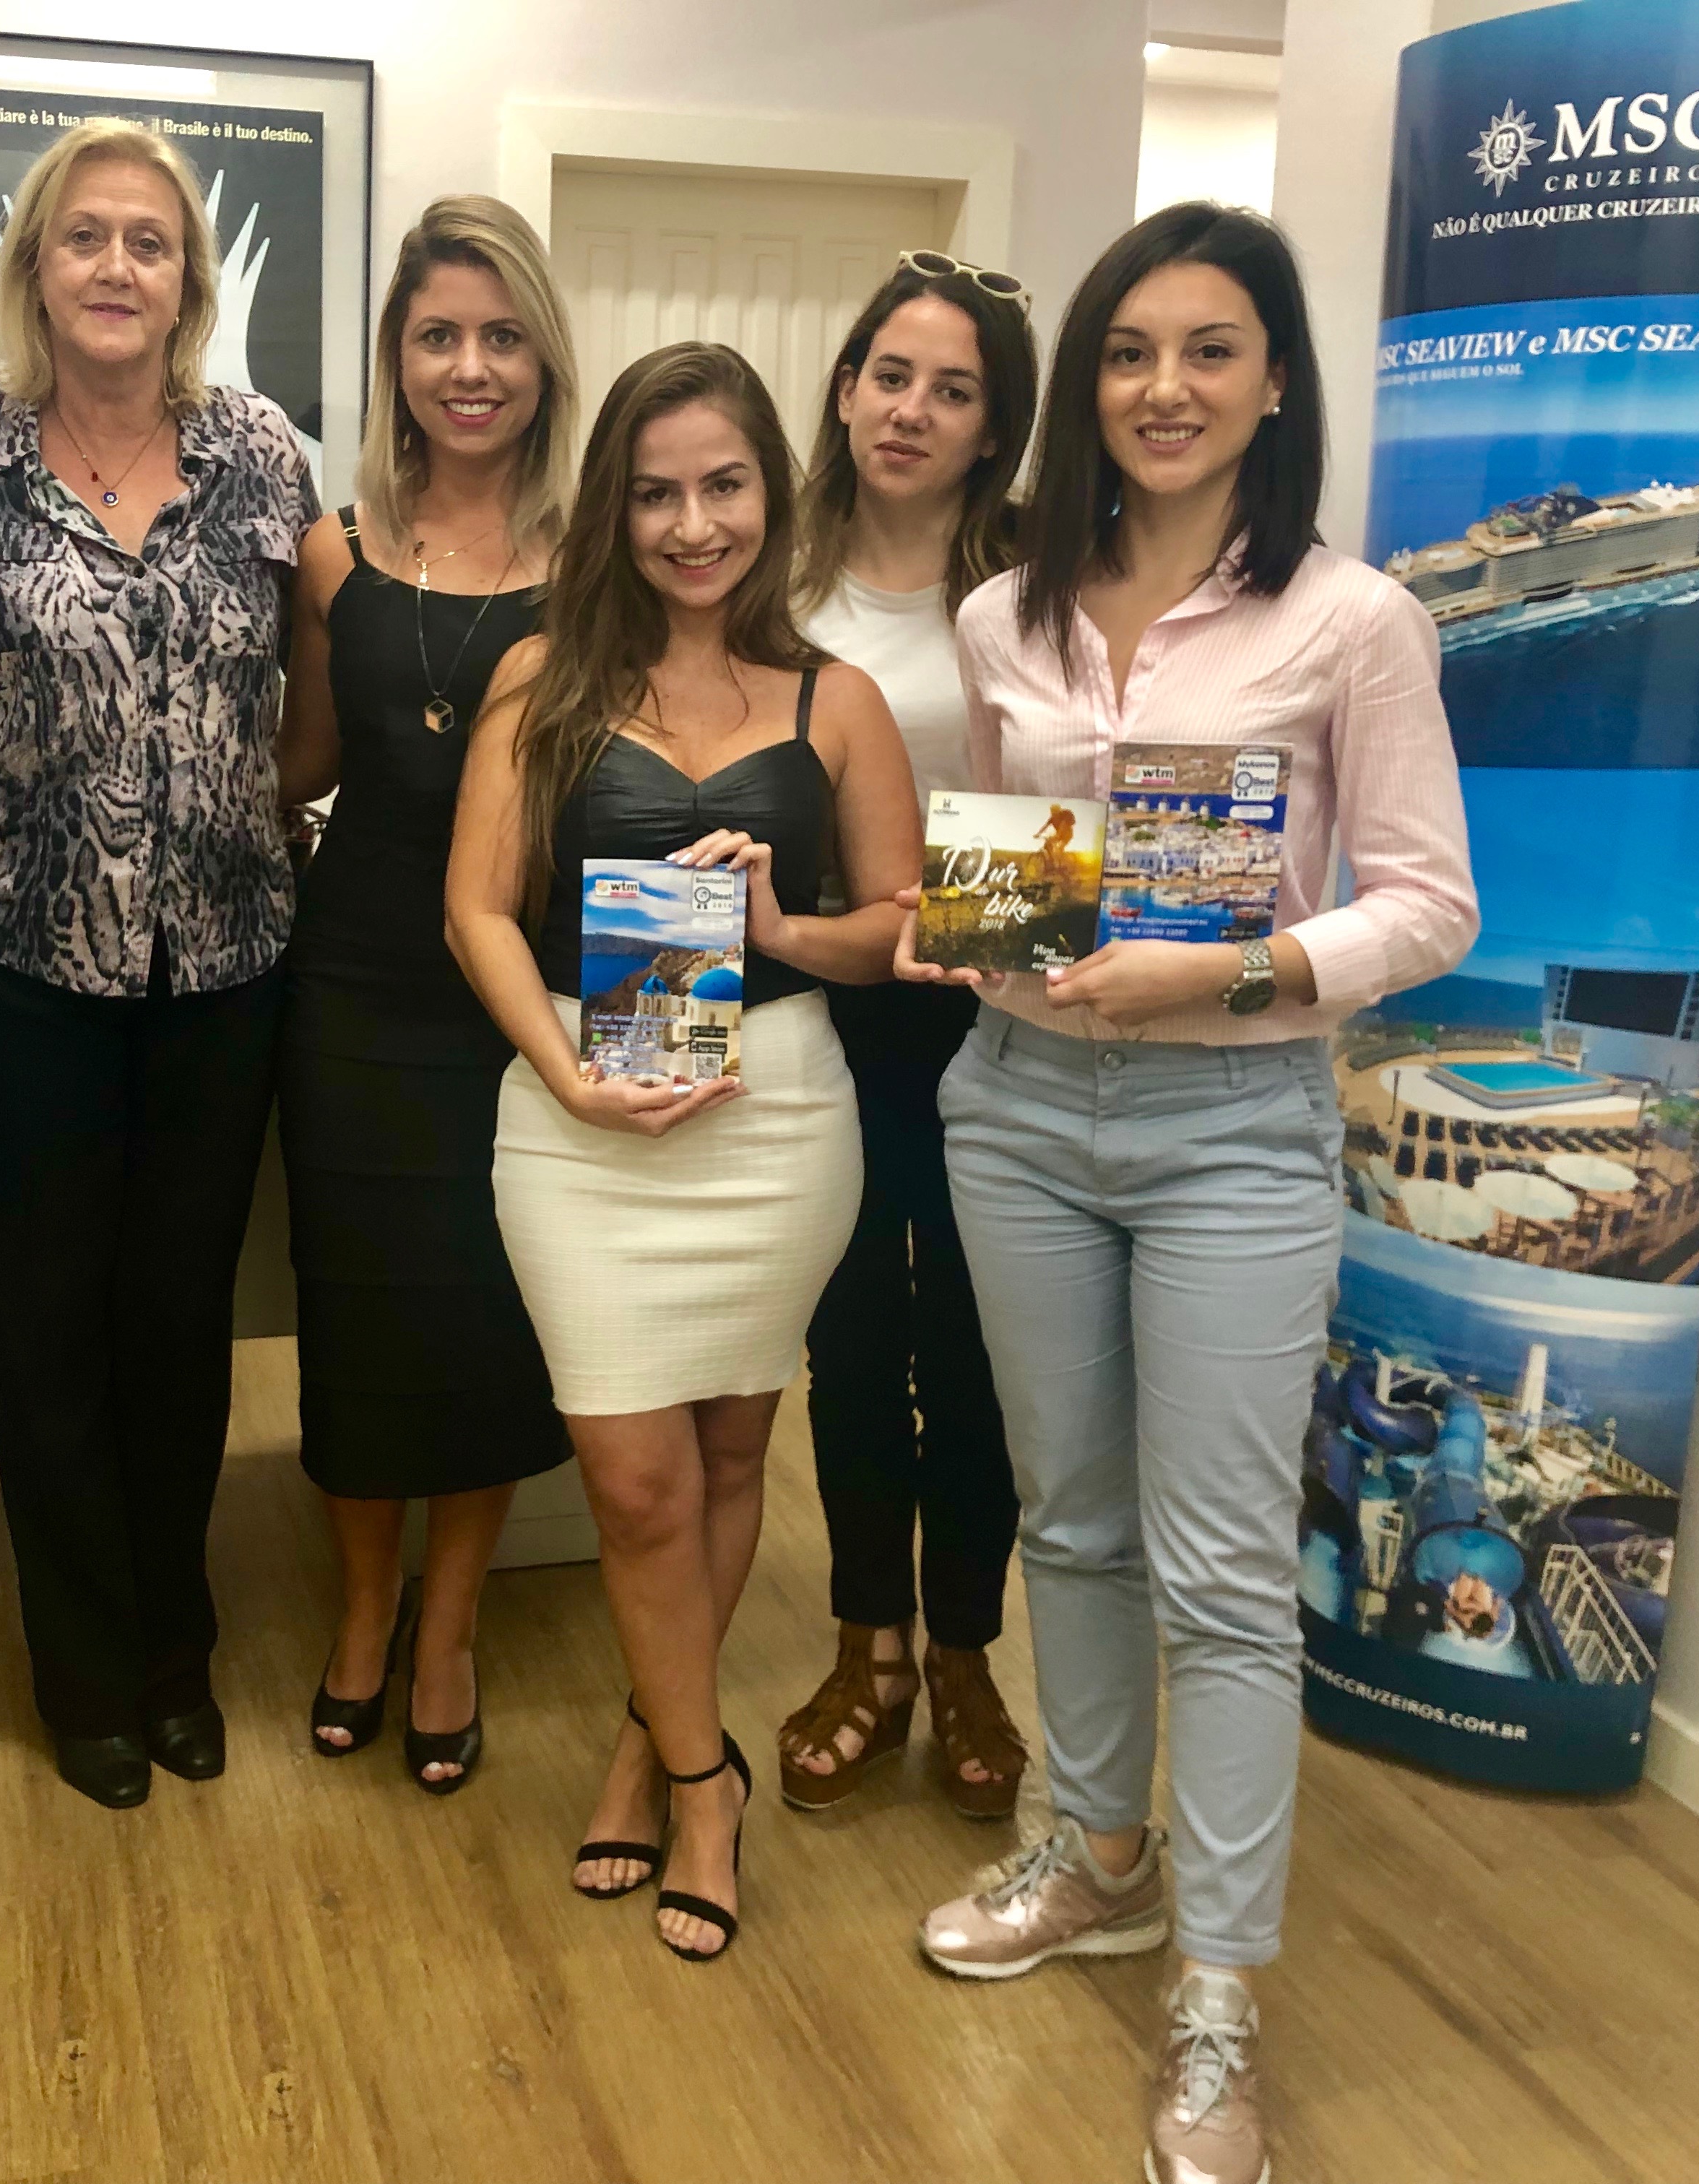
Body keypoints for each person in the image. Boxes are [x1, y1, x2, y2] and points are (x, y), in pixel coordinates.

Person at [900, 204, 1477, 2184]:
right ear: (1087, 384)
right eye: (1131, 352)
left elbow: (1429, 905)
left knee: (1222, 1571)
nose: (1164, 389)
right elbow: (1027, 864)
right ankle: (1099, 1855)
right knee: (1068, 1518)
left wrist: (1230, 974)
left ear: (1275, 381)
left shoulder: (1354, 621)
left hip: (1235, 1127)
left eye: (1210, 350)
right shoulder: (1008, 612)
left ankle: (1218, 1991)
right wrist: (971, 927)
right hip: (1020, 1105)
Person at [446, 342, 920, 1961]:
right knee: (635, 1477)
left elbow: (896, 930)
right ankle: (710, 1775)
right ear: (614, 508)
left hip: (778, 1119)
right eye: (656, 493)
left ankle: (655, 1749)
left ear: (772, 494)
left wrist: (783, 924)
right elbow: (476, 911)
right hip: (583, 1118)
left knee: (729, 1456)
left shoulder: (836, 700)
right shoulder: (543, 679)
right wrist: (566, 1076)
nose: (693, 524)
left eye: (724, 486)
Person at [0, 119, 319, 1812]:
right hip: (20, 962)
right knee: (51, 1332)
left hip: (226, 963)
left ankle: (175, 1652)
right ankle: (82, 1673)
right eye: (85, 237)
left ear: (189, 279)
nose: (117, 266)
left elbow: (305, 694)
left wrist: (253, 815)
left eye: (150, 240)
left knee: (180, 1328)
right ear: (35, 268)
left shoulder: (261, 456)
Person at [274, 198, 580, 1792]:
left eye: (502, 335)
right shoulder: (334, 546)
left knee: (488, 1314)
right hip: (354, 983)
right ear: (396, 358)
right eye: (440, 336)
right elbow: (305, 761)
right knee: (357, 1309)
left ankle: (450, 1623)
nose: (472, 367)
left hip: (521, 989)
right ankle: (362, 1607)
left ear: (545, 358)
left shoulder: (602, 563)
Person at [776, 251, 1041, 1824]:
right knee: (854, 1337)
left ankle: (964, 1657)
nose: (911, 411)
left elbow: (1063, 809)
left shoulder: (1038, 590)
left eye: (953, 391)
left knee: (982, 1346)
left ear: (993, 427)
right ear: (846, 385)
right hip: (810, 1003)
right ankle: (865, 1648)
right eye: (890, 375)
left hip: (994, 1015)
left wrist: (950, 935)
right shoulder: (770, 566)